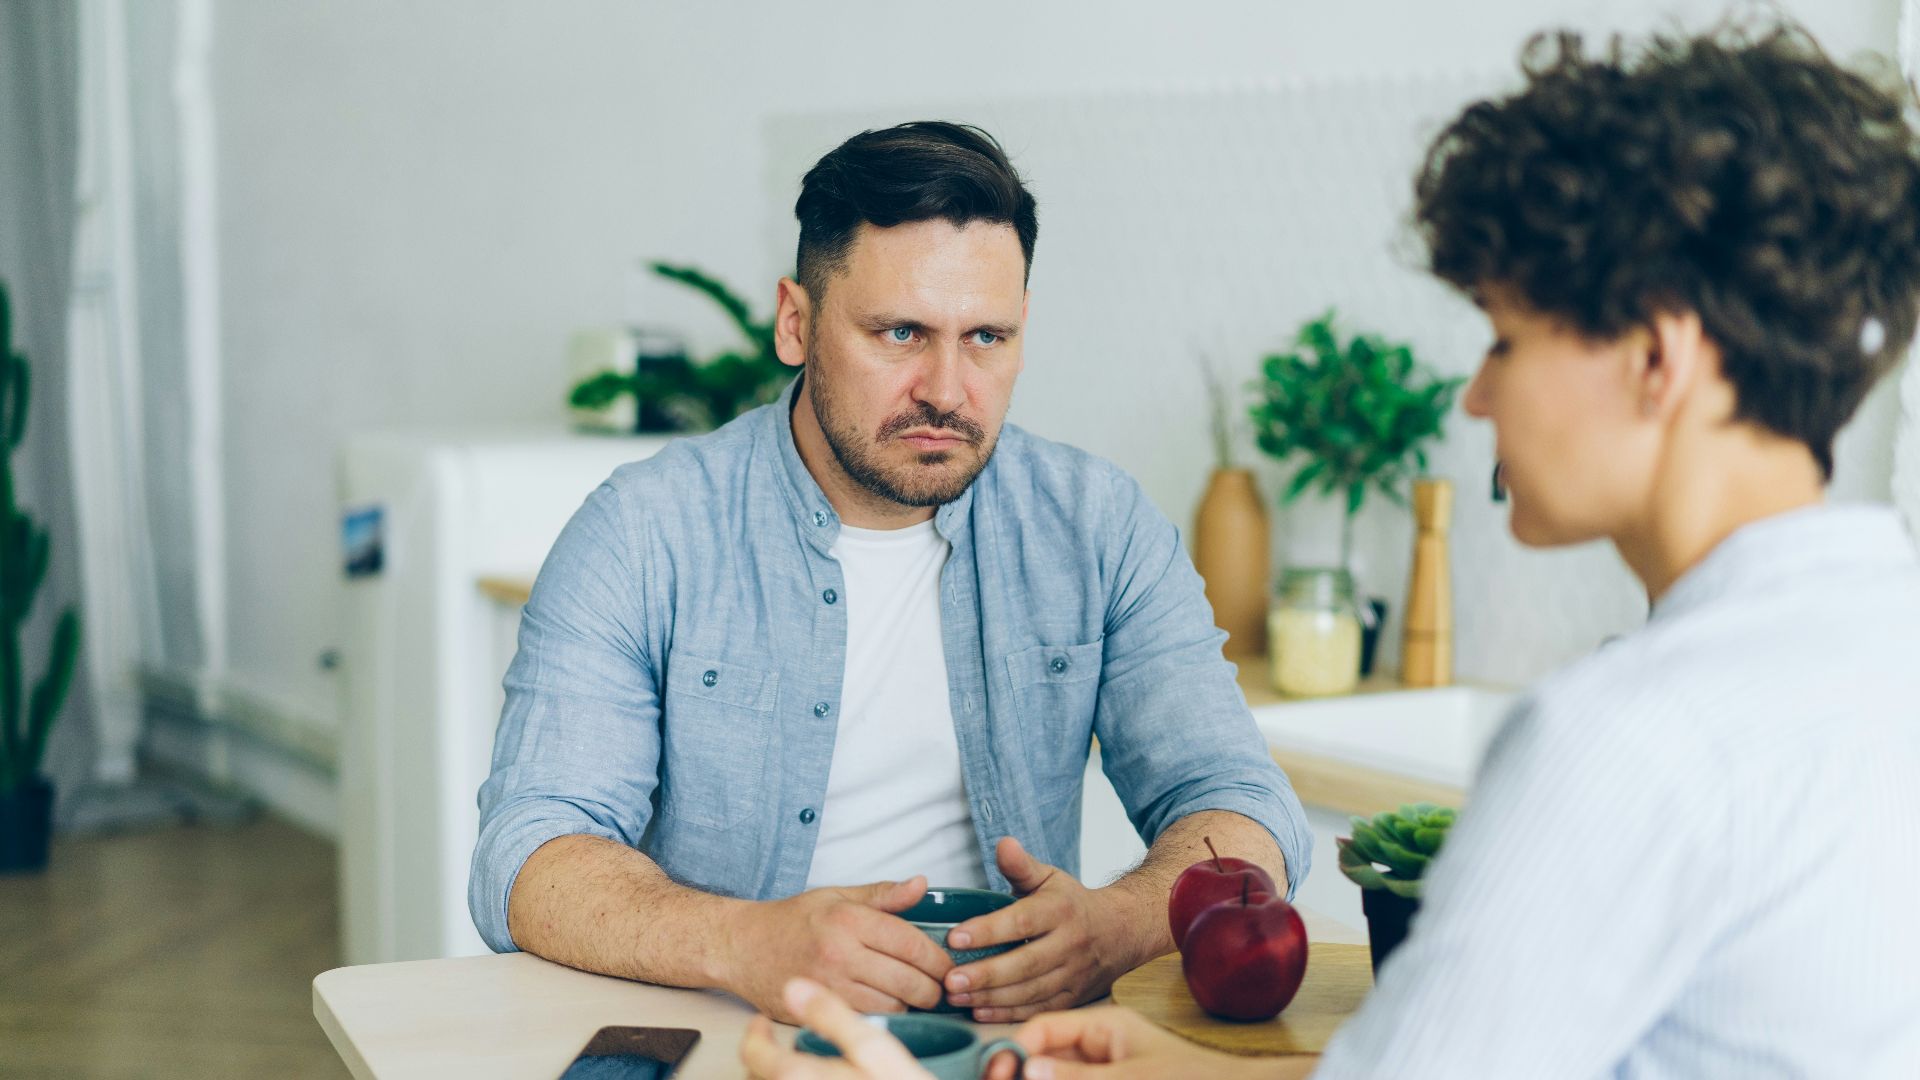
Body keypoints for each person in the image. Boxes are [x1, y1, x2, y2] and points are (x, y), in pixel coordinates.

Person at [741, 22, 1920, 1079]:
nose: (1477, 397)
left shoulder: (1628, 743)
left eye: (1507, 340)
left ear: (1655, 362)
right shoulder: (1885, 639)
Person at [469, 120, 1312, 1025]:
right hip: (742, 1034)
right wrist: (745, 941)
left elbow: (1241, 805)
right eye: (901, 331)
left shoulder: (1097, 525)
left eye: (986, 336)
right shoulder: (643, 532)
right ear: (796, 323)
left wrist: (1120, 923)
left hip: (1007, 1045)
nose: (947, 390)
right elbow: (529, 852)